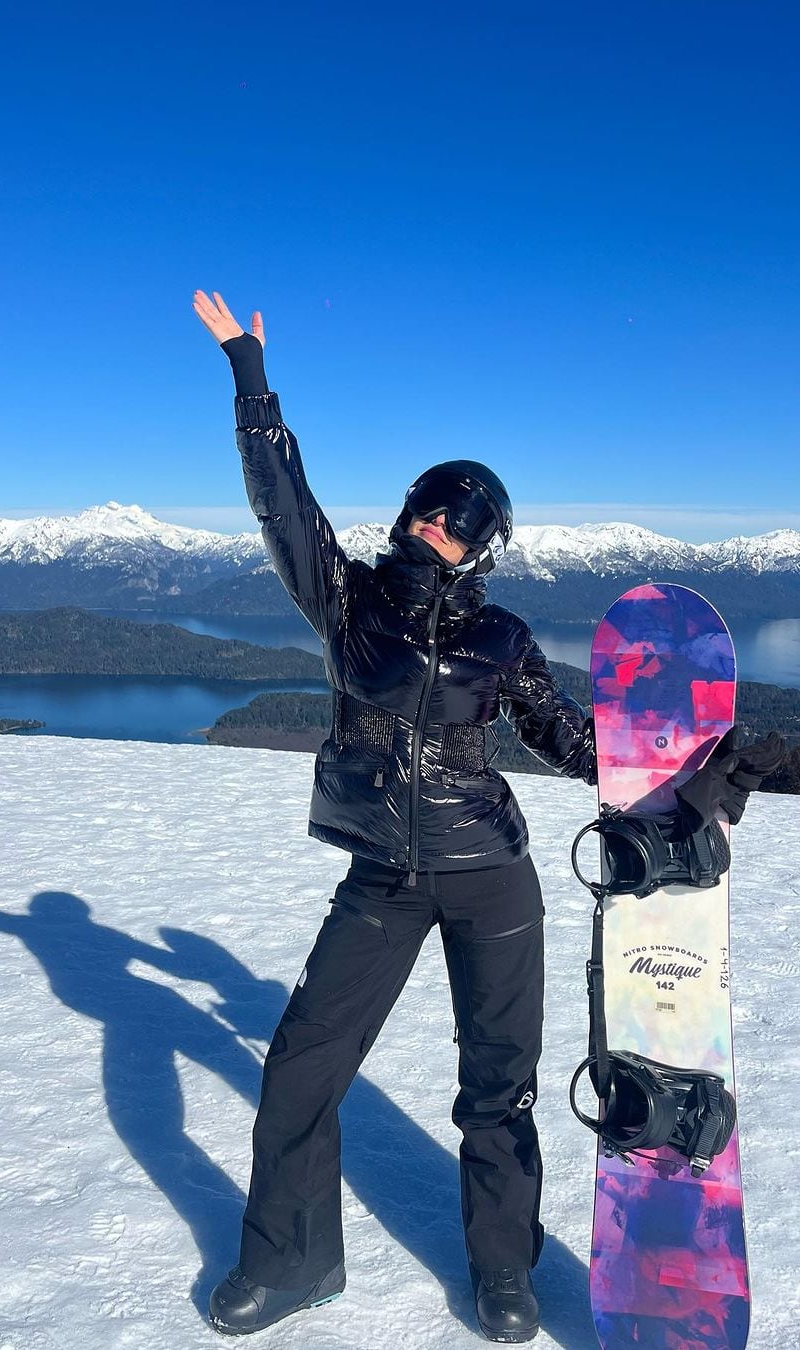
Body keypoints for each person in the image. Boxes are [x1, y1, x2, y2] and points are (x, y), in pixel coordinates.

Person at [188, 289, 581, 1341]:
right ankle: (291, 1263)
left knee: (499, 1086)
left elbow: (564, 737)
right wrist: (250, 377)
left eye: (457, 520)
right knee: (303, 1069)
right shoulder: (349, 601)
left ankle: (504, 1273)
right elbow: (283, 503)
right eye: (424, 505)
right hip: (384, 878)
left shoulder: (504, 637)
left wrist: (676, 772)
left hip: (493, 875)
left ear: (482, 544)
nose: (431, 526)